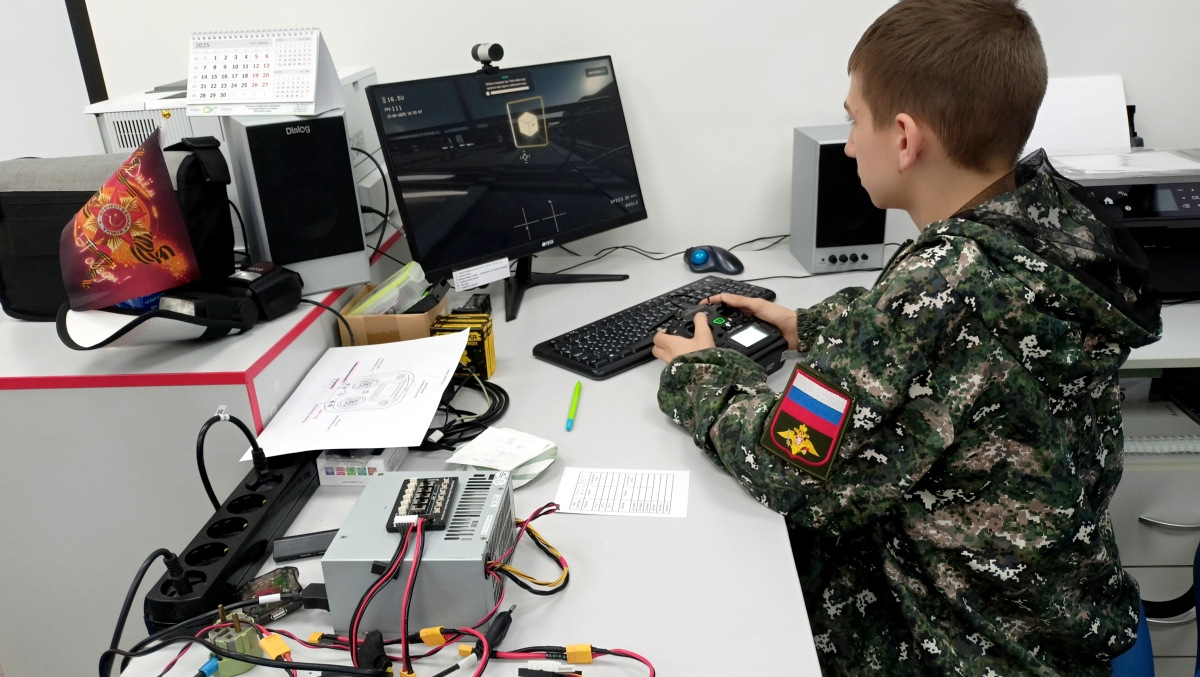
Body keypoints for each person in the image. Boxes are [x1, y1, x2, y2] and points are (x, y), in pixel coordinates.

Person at [651, 1, 1162, 674]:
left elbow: (787, 462)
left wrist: (704, 373)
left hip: (961, 644)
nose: (848, 145)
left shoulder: (938, 283)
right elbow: (955, 343)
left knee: (727, 585)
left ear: (903, 138)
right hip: (1058, 616)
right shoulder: (1046, 227)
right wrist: (812, 326)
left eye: (853, 119)